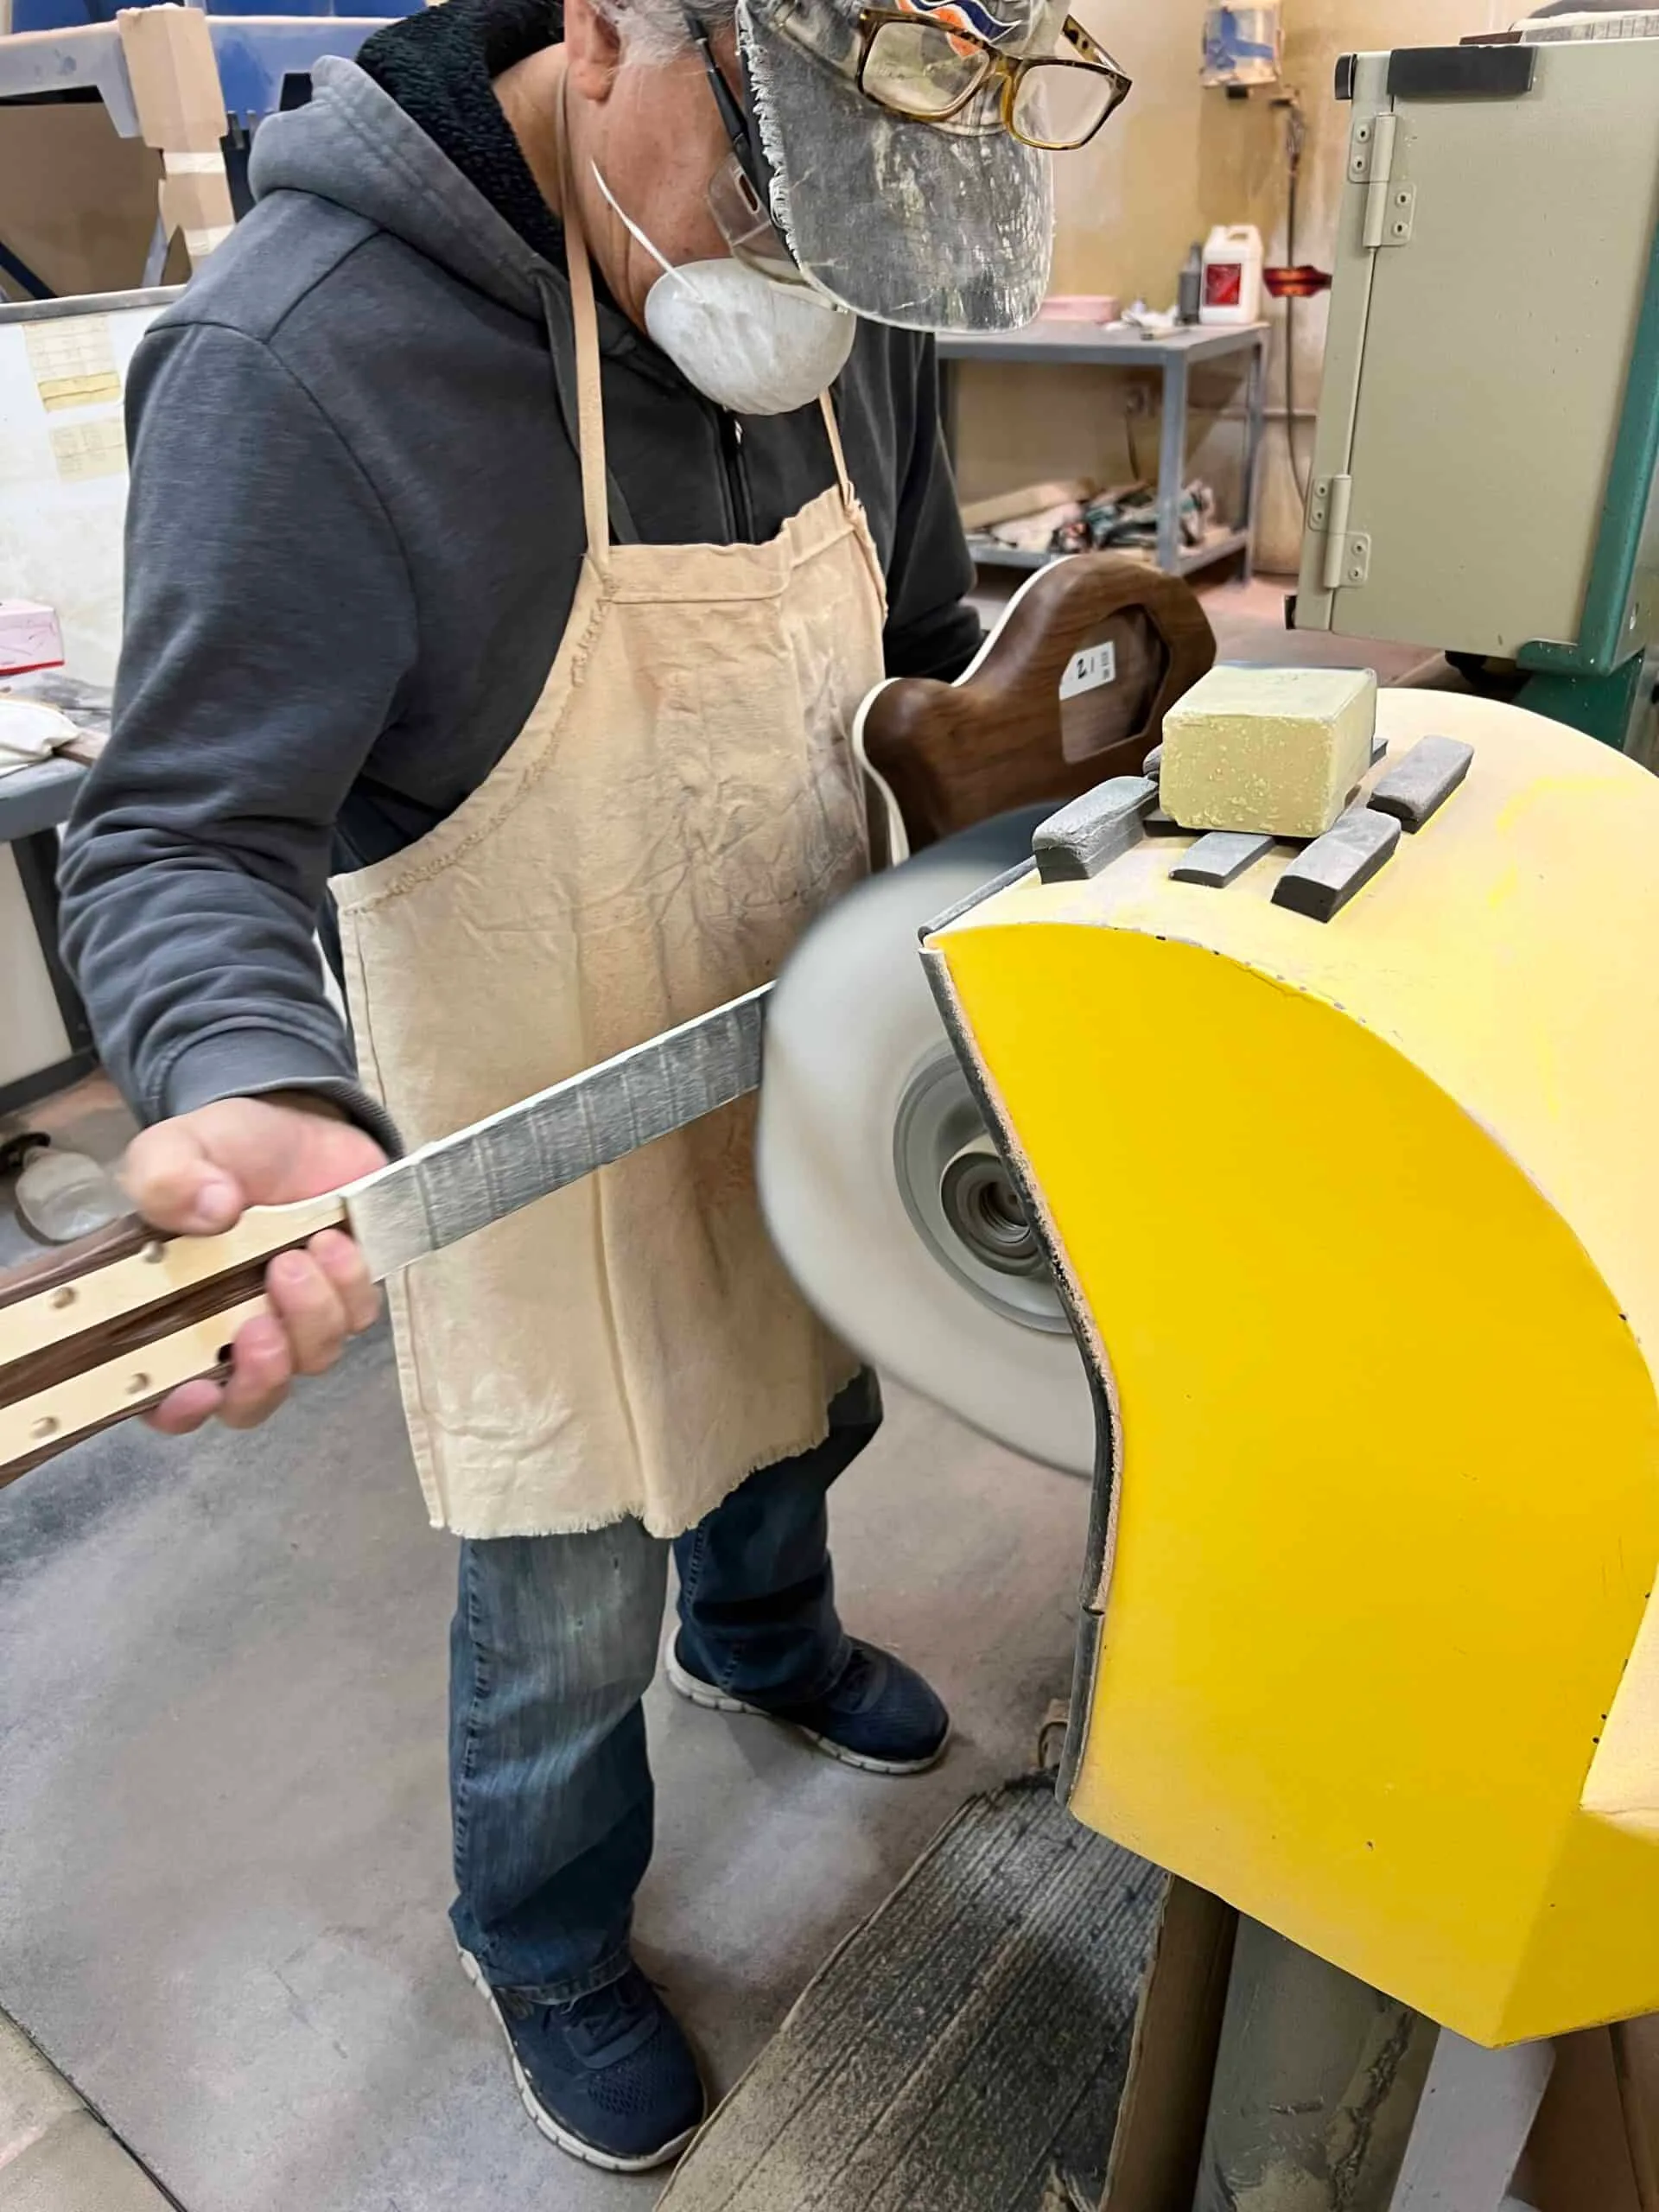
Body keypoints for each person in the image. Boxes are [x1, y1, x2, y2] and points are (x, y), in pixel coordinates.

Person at [56, 0, 1130, 2170]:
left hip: (800, 1046)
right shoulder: (305, 360)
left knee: (802, 1396)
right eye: (772, 194)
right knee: (564, 1575)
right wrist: (246, 1068)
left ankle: (770, 1636)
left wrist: (1041, 750)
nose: (814, 283)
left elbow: (915, 634)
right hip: (523, 1104)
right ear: (612, 25)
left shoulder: (853, 287)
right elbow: (180, 829)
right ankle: (540, 1924)